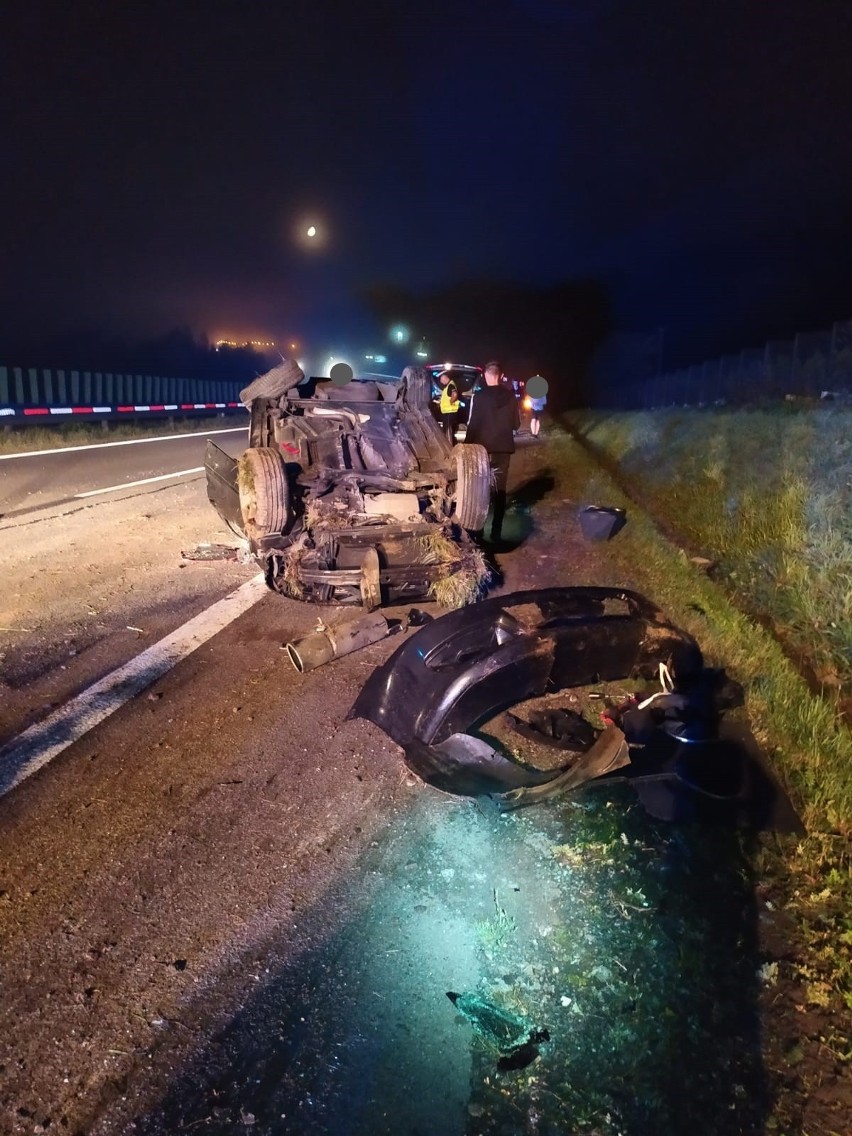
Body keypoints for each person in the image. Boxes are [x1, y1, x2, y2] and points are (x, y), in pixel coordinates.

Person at [464, 360, 520, 543]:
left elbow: (472, 424)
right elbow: (516, 424)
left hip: (482, 450)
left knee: (481, 491)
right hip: (503, 449)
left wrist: (466, 446)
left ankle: (478, 533)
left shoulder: (478, 397)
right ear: (500, 375)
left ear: (486, 375)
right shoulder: (511, 397)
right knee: (500, 491)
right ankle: (496, 532)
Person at [438, 371, 460, 444]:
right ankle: (452, 445)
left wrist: (451, 401)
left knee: (448, 432)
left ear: (444, 378)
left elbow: (454, 394)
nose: (441, 382)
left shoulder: (450, 385)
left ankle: (449, 447)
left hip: (449, 413)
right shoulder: (449, 386)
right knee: (449, 431)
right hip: (448, 412)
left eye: (441, 380)